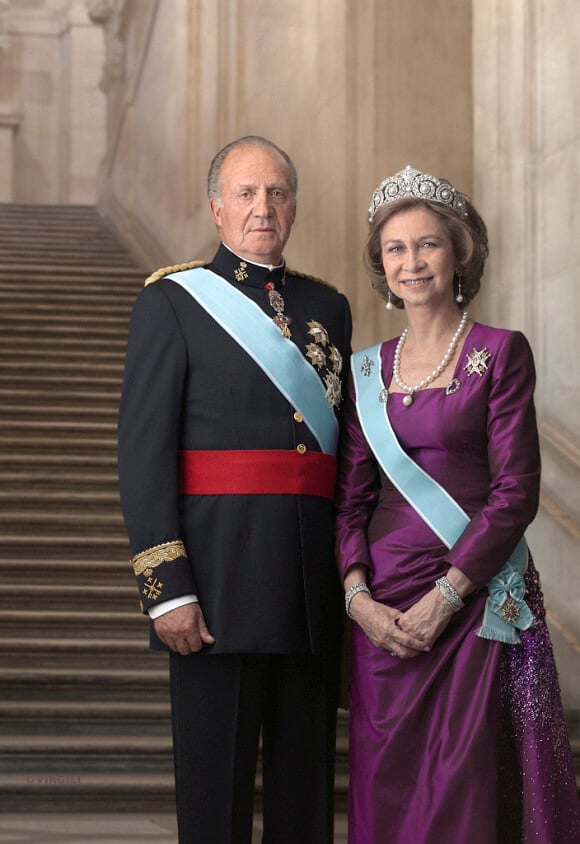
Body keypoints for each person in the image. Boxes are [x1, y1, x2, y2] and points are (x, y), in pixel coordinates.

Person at [335, 165, 580, 843]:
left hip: (471, 604)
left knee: (465, 786)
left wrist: (447, 594)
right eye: (395, 248)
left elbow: (515, 492)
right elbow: (350, 501)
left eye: (427, 245)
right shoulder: (365, 370)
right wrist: (358, 598)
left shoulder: (499, 354)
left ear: (459, 254)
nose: (411, 262)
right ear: (381, 267)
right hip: (384, 612)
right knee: (387, 787)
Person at [118, 136, 352, 843]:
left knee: (304, 800)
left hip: (308, 588)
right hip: (214, 589)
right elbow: (143, 453)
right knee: (215, 801)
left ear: (294, 208)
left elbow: (341, 456)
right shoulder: (173, 301)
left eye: (277, 193)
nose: (263, 208)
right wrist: (170, 589)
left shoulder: (329, 308)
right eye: (247, 194)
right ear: (217, 207)